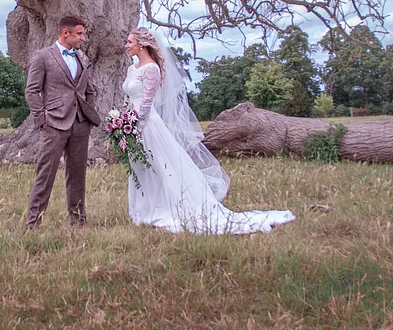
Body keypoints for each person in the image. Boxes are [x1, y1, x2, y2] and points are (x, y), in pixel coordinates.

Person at [123, 28, 296, 234]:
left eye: (129, 42)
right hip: (131, 123)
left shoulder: (151, 69)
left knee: (160, 166)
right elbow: (129, 98)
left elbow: (148, 102)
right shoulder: (132, 69)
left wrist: (137, 126)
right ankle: (144, 209)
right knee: (141, 167)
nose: (126, 45)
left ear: (141, 45)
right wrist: (123, 120)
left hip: (147, 125)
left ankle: (167, 208)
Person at [25, 15, 101, 228]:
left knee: (78, 175)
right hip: (54, 124)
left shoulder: (81, 58)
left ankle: (78, 221)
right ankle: (33, 223)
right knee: (45, 173)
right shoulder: (42, 56)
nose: (83, 39)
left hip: (80, 124)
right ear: (65, 33)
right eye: (79, 34)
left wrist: (87, 113)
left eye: (83, 34)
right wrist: (42, 119)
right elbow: (32, 91)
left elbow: (89, 90)